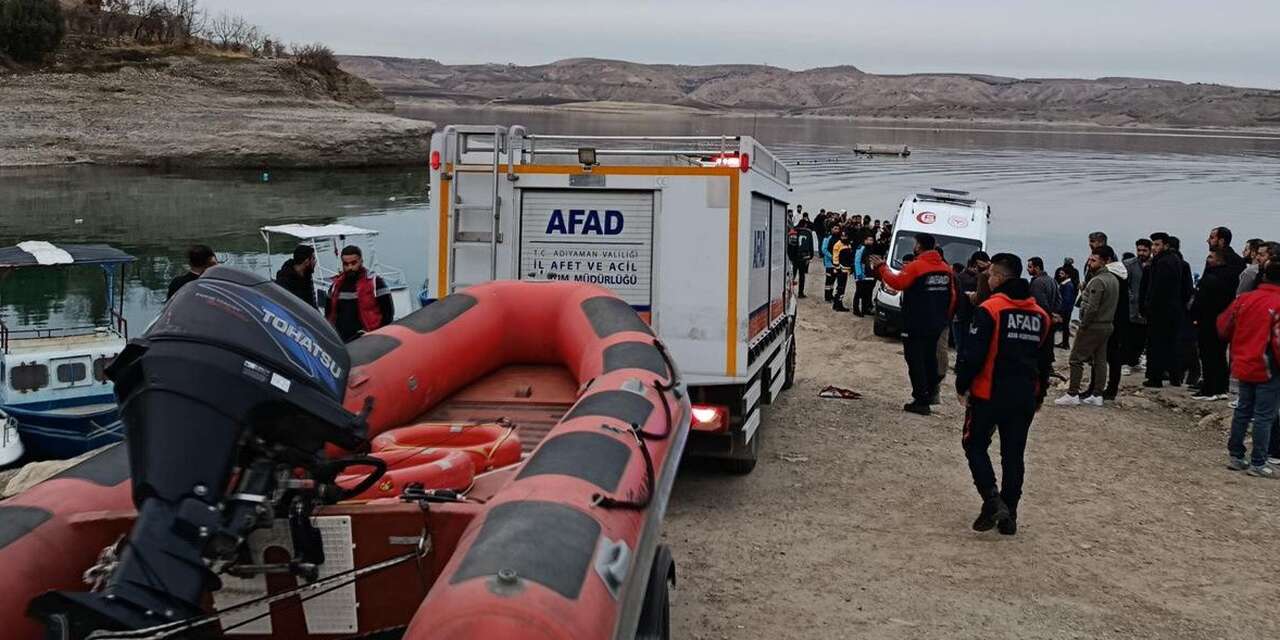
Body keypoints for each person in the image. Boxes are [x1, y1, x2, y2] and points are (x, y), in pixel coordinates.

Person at [955, 253, 1052, 536]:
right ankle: (1010, 515)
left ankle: (992, 499)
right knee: (1014, 455)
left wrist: (963, 385)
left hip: (988, 394)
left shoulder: (990, 310)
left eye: (990, 275)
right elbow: (1045, 363)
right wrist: (1040, 396)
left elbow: (973, 354)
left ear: (998, 276)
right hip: (1023, 397)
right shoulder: (1041, 316)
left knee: (974, 445)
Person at [869, 233, 957, 415]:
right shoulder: (945, 268)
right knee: (929, 358)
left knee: (915, 359)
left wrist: (882, 267)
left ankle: (921, 399)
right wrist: (945, 318)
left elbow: (897, 282)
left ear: (919, 246)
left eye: (916, 244)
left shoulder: (917, 266)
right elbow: (952, 295)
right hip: (937, 322)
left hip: (917, 322)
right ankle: (931, 391)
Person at [1217, 260, 1280, 477]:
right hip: (1268, 366)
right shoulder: (1278, 302)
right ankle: (1259, 462)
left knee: (1243, 410)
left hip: (1243, 361)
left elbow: (1224, 325)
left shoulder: (1245, 299)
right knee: (1264, 415)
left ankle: (1236, 456)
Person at [1056, 245, 1121, 407]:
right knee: (1100, 359)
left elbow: (1091, 307)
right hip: (1107, 325)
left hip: (1093, 325)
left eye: (1094, 260)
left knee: (1076, 358)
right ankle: (1097, 394)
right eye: (1090, 259)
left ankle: (1072, 393)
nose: (1090, 262)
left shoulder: (1098, 280)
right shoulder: (1114, 279)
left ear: (1105, 261)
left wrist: (1084, 324)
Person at [1142, 232, 1189, 388]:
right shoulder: (1177, 260)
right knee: (1171, 343)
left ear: (1166, 245)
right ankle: (1175, 377)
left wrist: (1149, 306)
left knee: (1156, 344)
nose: (1154, 248)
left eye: (1157, 245)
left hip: (1161, 310)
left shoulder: (1162, 262)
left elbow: (1158, 288)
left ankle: (1155, 377)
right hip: (1173, 309)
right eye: (1153, 245)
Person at [1190, 248, 1237, 401]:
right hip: (1223, 321)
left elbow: (1200, 300)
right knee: (1220, 355)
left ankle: (1208, 389)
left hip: (1207, 321)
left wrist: (1194, 315)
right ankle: (1221, 388)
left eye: (1210, 257)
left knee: (1208, 355)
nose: (1207, 260)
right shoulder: (1231, 277)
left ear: (1219, 260)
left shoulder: (1210, 277)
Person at [326, 245, 394, 342]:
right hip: (342, 342)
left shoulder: (375, 283)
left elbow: (388, 314)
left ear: (361, 261)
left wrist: (378, 336)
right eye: (346, 264)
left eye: (354, 263)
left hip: (369, 340)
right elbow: (329, 315)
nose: (350, 267)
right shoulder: (335, 287)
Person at [1123, 239, 1152, 371]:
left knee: (1142, 337)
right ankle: (1128, 362)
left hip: (1147, 308)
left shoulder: (1155, 264)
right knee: (1130, 336)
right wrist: (1131, 297)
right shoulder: (1129, 264)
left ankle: (1136, 360)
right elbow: (1124, 285)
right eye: (1139, 250)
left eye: (1144, 250)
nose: (1141, 253)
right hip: (1132, 308)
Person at [953, 252, 991, 345]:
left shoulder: (982, 276)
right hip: (968, 315)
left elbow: (979, 298)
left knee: (962, 345)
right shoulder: (985, 276)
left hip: (966, 315)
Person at [787, 220, 817, 298]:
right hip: (804, 257)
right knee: (802, 275)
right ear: (805, 225)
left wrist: (790, 256)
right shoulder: (808, 232)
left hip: (794, 257)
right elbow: (811, 245)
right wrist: (811, 256)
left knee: (792, 275)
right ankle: (801, 293)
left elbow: (790, 245)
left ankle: (790, 292)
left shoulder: (793, 231)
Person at [852, 233, 877, 316]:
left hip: (869, 275)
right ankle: (856, 309)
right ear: (865, 240)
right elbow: (857, 261)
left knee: (867, 293)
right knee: (859, 292)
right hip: (861, 275)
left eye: (872, 240)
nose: (870, 241)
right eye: (869, 240)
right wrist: (859, 274)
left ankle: (865, 309)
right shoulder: (861, 248)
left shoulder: (871, 249)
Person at [1054, 267, 1077, 349]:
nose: (1060, 275)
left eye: (1062, 273)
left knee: (1063, 326)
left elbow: (1066, 300)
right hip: (1067, 310)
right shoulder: (1066, 284)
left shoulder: (1067, 285)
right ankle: (1065, 343)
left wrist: (1060, 311)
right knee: (1065, 326)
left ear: (1067, 275)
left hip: (1065, 310)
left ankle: (1065, 344)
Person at [830, 231, 853, 312]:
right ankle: (838, 305)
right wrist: (838, 268)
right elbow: (835, 258)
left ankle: (836, 304)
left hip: (847, 269)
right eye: (843, 236)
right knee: (840, 288)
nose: (844, 238)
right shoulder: (838, 245)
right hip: (841, 270)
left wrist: (851, 268)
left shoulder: (848, 244)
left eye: (845, 236)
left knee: (841, 288)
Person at [821, 223, 839, 302]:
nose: (837, 230)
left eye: (838, 229)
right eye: (835, 228)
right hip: (829, 263)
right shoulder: (827, 237)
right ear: (831, 229)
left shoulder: (838, 238)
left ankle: (831, 295)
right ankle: (827, 296)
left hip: (836, 263)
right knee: (829, 280)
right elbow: (824, 249)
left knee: (833, 280)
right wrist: (832, 256)